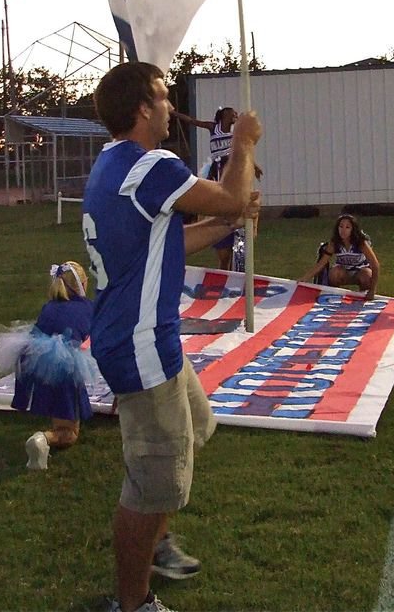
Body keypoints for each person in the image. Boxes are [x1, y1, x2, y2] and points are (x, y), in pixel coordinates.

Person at [83, 62, 261, 612]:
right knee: (152, 485)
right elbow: (231, 194)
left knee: (197, 426)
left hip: (144, 338)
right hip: (139, 346)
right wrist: (243, 143)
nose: (169, 108)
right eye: (162, 98)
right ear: (142, 109)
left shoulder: (113, 166)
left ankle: (155, 542)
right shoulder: (151, 164)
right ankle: (133, 602)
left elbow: (166, 244)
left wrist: (229, 225)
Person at [0, 261, 96, 452]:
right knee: (69, 433)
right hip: (65, 366)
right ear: (83, 285)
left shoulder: (49, 307)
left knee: (58, 411)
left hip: (36, 363)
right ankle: (43, 439)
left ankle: (50, 431)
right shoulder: (87, 307)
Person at [171, 106, 262, 270]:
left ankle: (248, 233)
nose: (235, 115)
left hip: (232, 169)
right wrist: (175, 114)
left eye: (236, 113)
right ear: (224, 115)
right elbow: (192, 121)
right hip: (218, 169)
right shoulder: (214, 127)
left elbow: (241, 151)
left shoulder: (235, 132)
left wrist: (254, 166)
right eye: (232, 113)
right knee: (216, 196)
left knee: (247, 199)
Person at [299, 214, 381, 301]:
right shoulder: (335, 243)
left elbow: (375, 265)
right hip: (343, 272)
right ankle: (333, 297)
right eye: (341, 227)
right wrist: (305, 278)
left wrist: (372, 290)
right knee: (334, 273)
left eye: (347, 227)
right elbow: (322, 263)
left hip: (360, 271)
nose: (343, 230)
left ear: (353, 229)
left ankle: (364, 296)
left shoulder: (361, 243)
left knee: (367, 275)